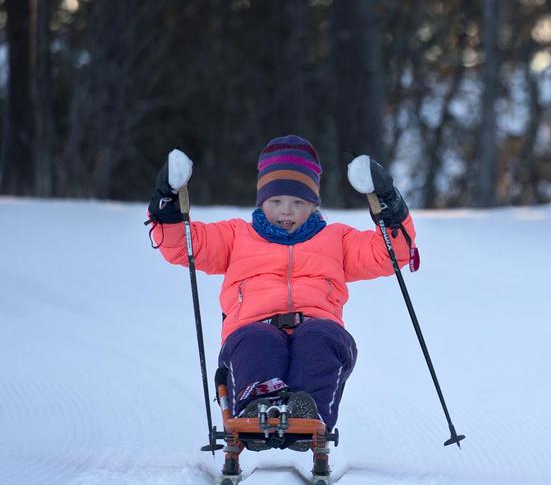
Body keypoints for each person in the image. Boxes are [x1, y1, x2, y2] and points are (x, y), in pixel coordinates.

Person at [147, 134, 416, 440]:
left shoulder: (336, 240)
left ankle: (307, 411)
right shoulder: (237, 236)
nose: (286, 211)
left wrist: (389, 203)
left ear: (313, 204)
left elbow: (392, 252)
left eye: (297, 203)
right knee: (258, 339)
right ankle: (258, 405)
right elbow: (182, 244)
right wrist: (166, 201)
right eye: (276, 202)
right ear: (262, 201)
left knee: (321, 338)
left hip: (317, 328)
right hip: (252, 332)